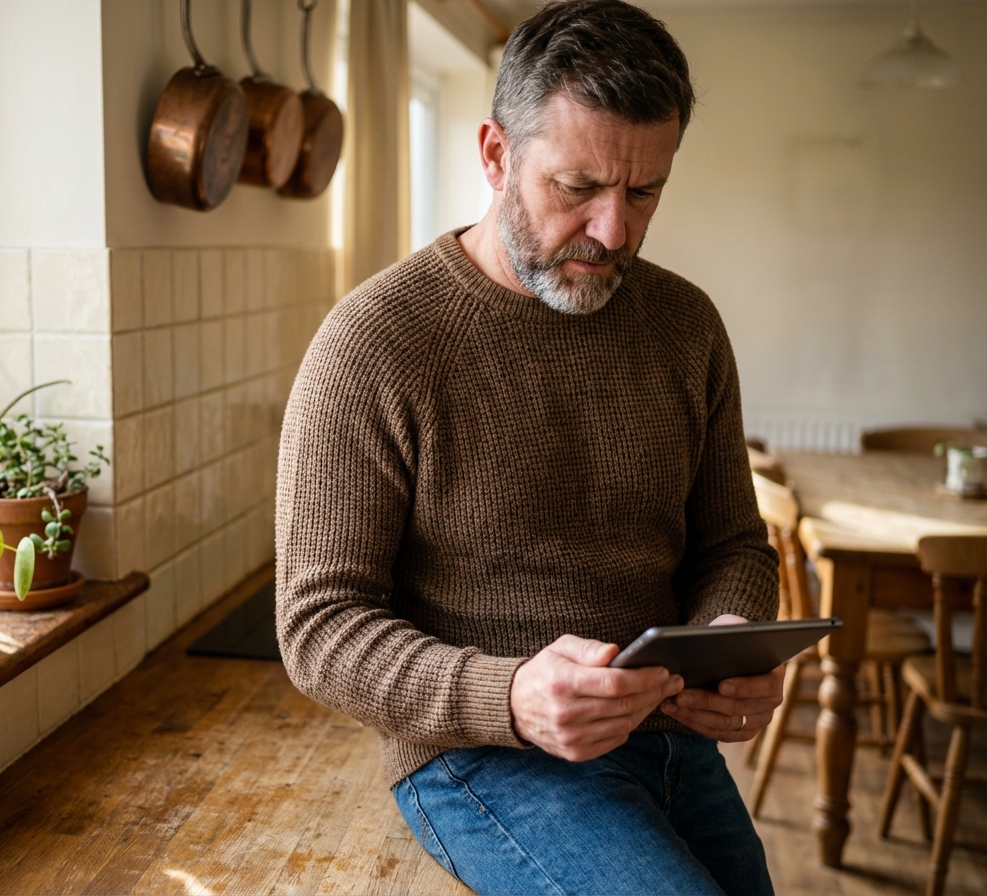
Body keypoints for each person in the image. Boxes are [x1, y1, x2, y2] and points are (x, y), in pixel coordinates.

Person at [276, 2, 782, 893]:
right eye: (578, 187)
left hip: (668, 734)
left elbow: (734, 543)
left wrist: (730, 641)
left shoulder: (687, 325)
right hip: (480, 755)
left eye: (644, 192)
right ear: (495, 154)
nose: (614, 231)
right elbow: (317, 626)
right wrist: (508, 695)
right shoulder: (373, 342)